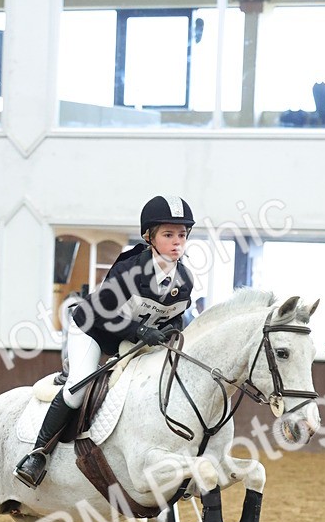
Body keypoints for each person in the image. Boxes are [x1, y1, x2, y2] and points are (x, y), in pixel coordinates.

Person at [14, 194, 195, 488]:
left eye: (182, 235)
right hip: (91, 330)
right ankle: (38, 455)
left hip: (132, 340)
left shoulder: (184, 279)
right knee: (80, 386)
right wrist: (139, 331)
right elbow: (101, 315)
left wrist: (169, 332)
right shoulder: (129, 270)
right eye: (168, 234)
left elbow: (176, 317)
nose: (177, 241)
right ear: (149, 237)